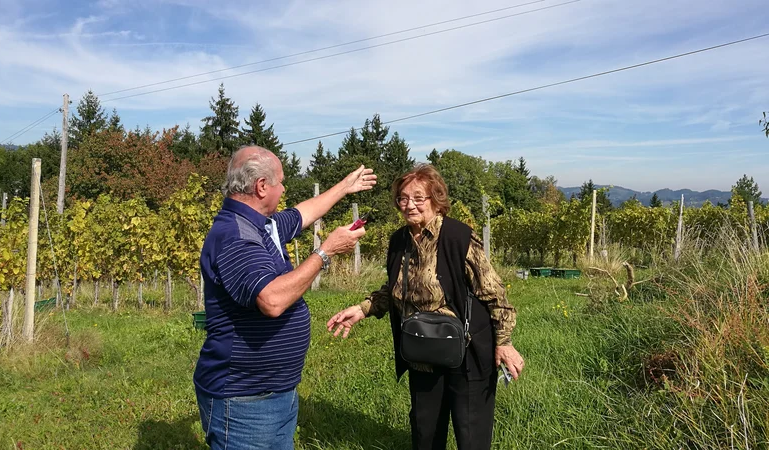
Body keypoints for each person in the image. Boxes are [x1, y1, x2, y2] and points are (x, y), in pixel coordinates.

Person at [327, 164, 524, 450]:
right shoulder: (398, 241)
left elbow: (493, 291)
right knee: (425, 433)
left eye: (419, 198)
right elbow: (394, 289)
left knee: (472, 436)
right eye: (403, 198)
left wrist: (503, 342)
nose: (409, 205)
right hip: (422, 351)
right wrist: (363, 309)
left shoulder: (458, 237)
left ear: (436, 199)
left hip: (466, 353)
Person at [194, 145, 377, 450]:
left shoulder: (262, 225)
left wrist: (345, 187)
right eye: (280, 182)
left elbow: (304, 212)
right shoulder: (236, 235)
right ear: (262, 187)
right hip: (244, 402)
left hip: (271, 393)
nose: (284, 189)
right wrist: (325, 251)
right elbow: (272, 301)